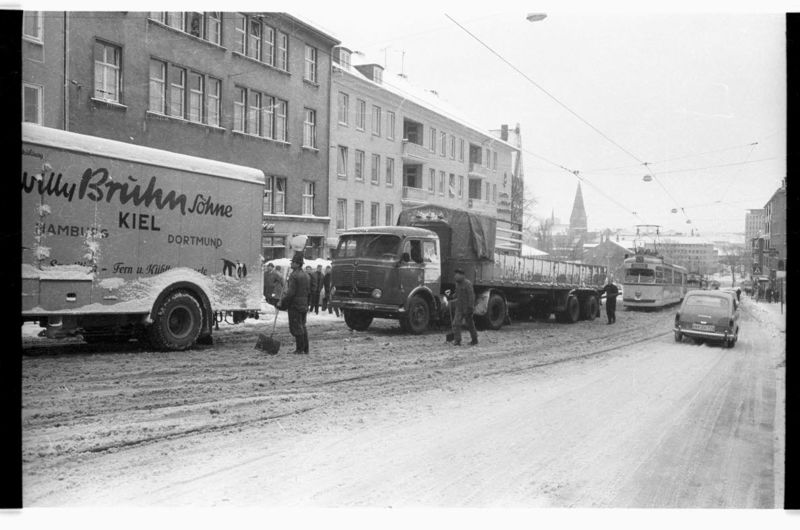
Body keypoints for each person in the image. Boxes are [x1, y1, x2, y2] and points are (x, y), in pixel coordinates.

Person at [278, 254, 310, 354]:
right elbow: (308, 291)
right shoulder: (306, 275)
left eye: (292, 262)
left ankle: (299, 349)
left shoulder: (294, 275)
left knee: (296, 327)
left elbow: (291, 293)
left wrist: (282, 303)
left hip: (295, 305)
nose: (291, 263)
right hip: (303, 304)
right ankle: (305, 348)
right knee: (302, 326)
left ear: (297, 264)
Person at [447, 268, 478, 346]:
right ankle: (457, 340)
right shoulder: (457, 284)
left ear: (462, 275)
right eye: (455, 275)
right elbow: (457, 294)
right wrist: (451, 297)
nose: (455, 276)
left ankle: (474, 339)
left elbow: (471, 296)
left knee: (470, 324)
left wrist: (470, 307)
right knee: (456, 323)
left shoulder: (468, 284)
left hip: (467, 307)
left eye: (457, 275)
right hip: (459, 307)